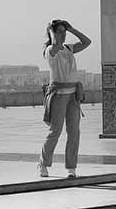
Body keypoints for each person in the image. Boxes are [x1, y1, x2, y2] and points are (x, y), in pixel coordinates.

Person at [39, 19, 92, 178]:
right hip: (58, 95)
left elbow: (87, 42)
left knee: (74, 132)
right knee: (55, 131)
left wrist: (72, 29)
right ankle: (43, 163)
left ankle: (71, 167)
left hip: (73, 96)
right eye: (59, 31)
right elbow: (55, 45)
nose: (63, 35)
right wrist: (51, 30)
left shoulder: (69, 48)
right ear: (53, 33)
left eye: (64, 31)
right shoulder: (50, 50)